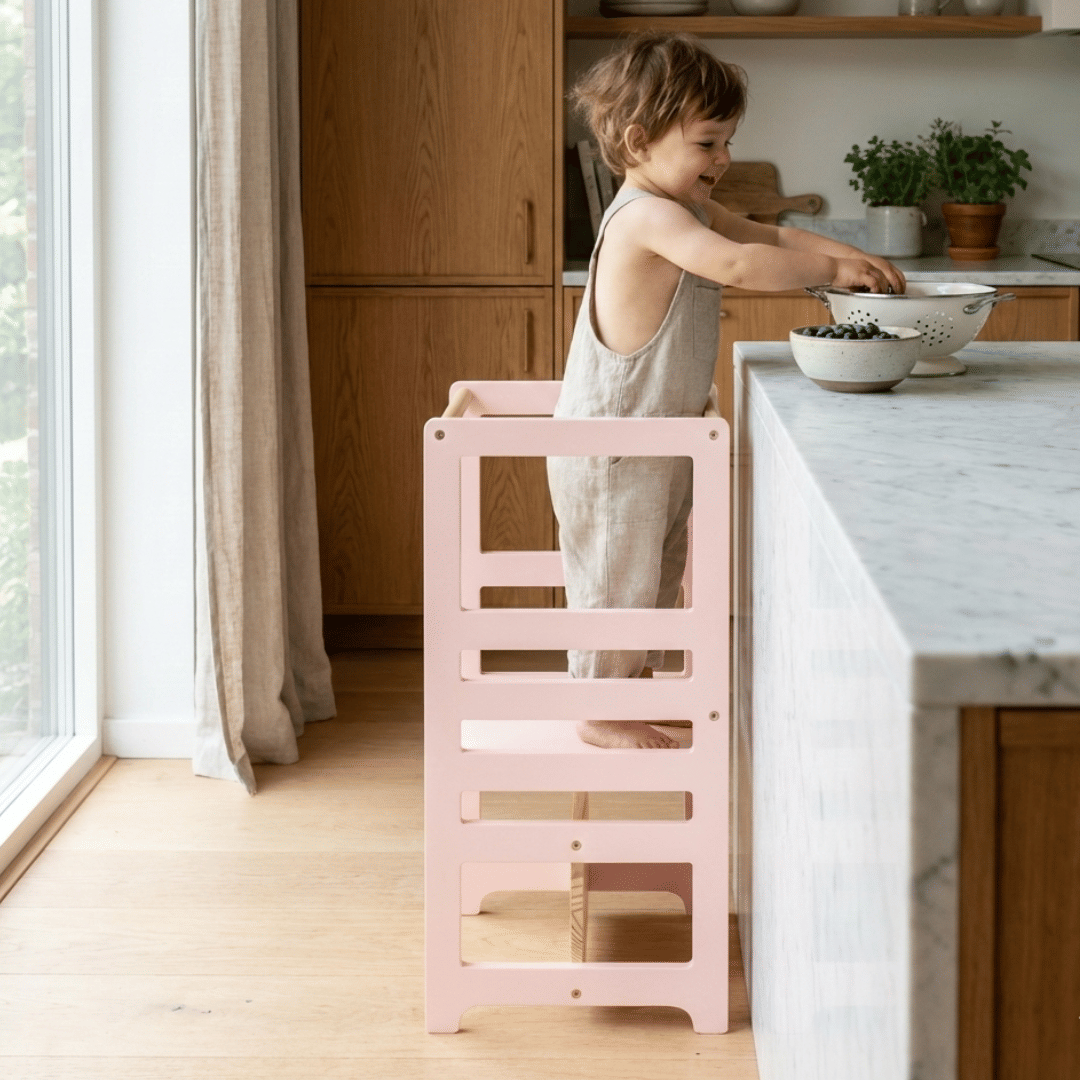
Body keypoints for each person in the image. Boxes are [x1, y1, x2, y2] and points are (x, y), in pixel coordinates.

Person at [548, 32, 906, 750]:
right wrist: (831, 277)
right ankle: (597, 706)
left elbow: (761, 235)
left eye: (728, 141)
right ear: (639, 140)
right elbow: (740, 265)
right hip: (614, 448)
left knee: (653, 570)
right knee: (618, 577)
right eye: (709, 143)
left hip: (655, 441)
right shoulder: (647, 217)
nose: (724, 159)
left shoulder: (684, 210)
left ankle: (631, 689)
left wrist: (847, 253)